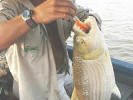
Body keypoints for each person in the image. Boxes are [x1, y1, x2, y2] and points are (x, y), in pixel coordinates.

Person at [0, 0, 101, 100]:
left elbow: (85, 14)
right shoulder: (9, 6)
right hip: (37, 85)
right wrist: (34, 16)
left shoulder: (61, 2)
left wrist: (91, 20)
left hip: (67, 72)